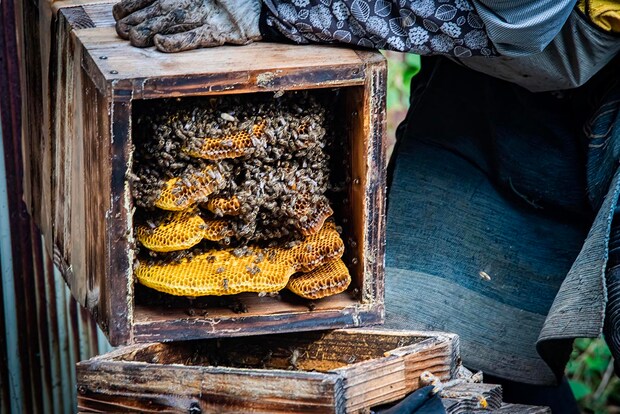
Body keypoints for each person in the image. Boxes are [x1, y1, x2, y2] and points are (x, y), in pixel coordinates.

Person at [113, 1, 620, 411]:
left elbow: (523, 21)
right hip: (496, 87)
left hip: (555, 45)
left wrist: (282, 10)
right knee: (444, 334)